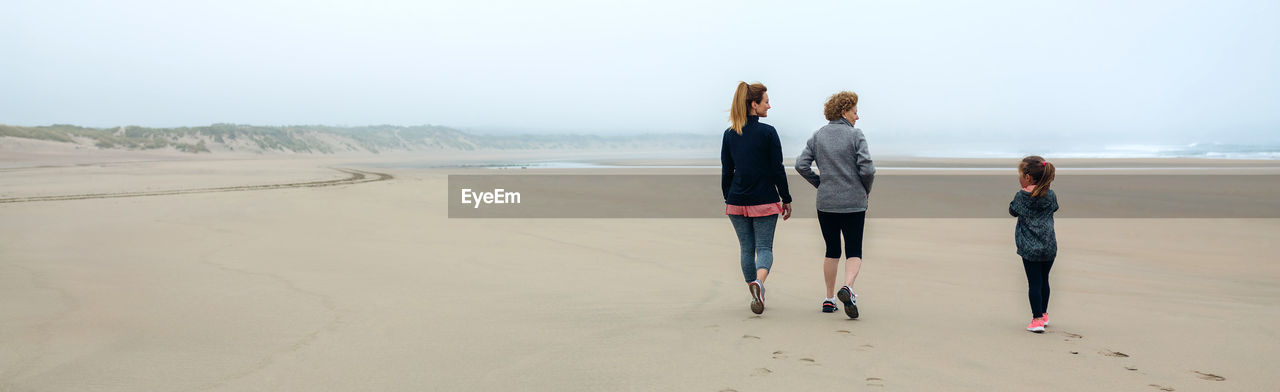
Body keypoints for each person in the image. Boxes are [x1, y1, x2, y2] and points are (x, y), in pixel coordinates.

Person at [795, 91, 875, 319]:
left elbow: (801, 165)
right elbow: (868, 169)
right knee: (854, 250)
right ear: (844, 112)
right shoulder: (855, 135)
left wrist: (821, 183)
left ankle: (829, 299)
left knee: (832, 250)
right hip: (853, 202)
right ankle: (848, 286)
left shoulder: (818, 136)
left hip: (826, 202)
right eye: (855, 112)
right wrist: (864, 189)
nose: (857, 117)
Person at [721, 81, 793, 315]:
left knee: (745, 249)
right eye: (766, 101)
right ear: (754, 104)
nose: (769, 106)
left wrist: (729, 199)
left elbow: (726, 171)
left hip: (736, 201)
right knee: (763, 248)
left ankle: (754, 293)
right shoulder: (768, 132)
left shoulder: (730, 134)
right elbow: (777, 169)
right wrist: (786, 198)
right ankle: (759, 284)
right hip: (764, 200)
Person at [1009, 155, 1059, 333]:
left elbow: (1013, 210)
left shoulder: (1022, 196)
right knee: (1044, 280)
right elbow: (1054, 207)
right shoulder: (1050, 195)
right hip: (1049, 245)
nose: (1019, 178)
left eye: (1020, 175)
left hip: (1030, 247)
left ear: (1028, 177)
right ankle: (1044, 314)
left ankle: (1037, 319)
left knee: (1034, 283)